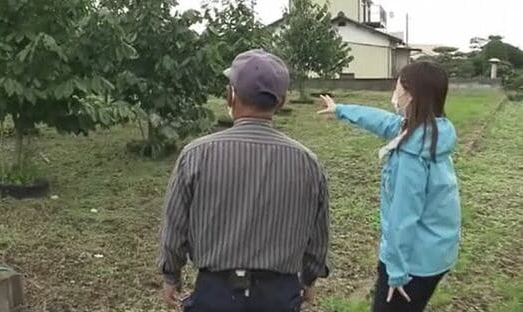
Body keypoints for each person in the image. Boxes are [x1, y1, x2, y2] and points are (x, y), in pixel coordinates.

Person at [157, 49, 330, 312]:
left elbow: (175, 226)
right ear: (281, 101)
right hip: (279, 295)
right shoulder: (308, 162)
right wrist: (310, 278)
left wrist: (171, 275)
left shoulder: (196, 154)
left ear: (231, 95)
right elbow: (318, 236)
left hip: (215, 294)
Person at [318, 61, 461, 312]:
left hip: (412, 265)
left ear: (410, 95)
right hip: (437, 252)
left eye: (398, 88)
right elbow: (380, 120)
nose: (394, 95)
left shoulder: (411, 156)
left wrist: (395, 272)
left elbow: (402, 218)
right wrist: (340, 109)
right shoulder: (430, 132)